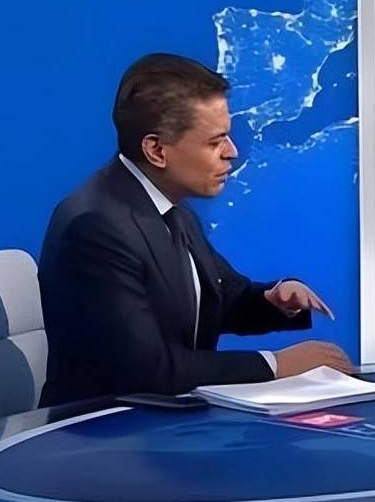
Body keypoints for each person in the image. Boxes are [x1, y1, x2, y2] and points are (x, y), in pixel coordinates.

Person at [39, 53, 352, 407]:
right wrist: (277, 365)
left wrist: (273, 299)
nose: (232, 152)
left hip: (166, 423)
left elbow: (218, 297)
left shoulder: (171, 208)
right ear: (157, 150)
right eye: (215, 142)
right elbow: (147, 372)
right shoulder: (94, 227)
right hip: (98, 430)